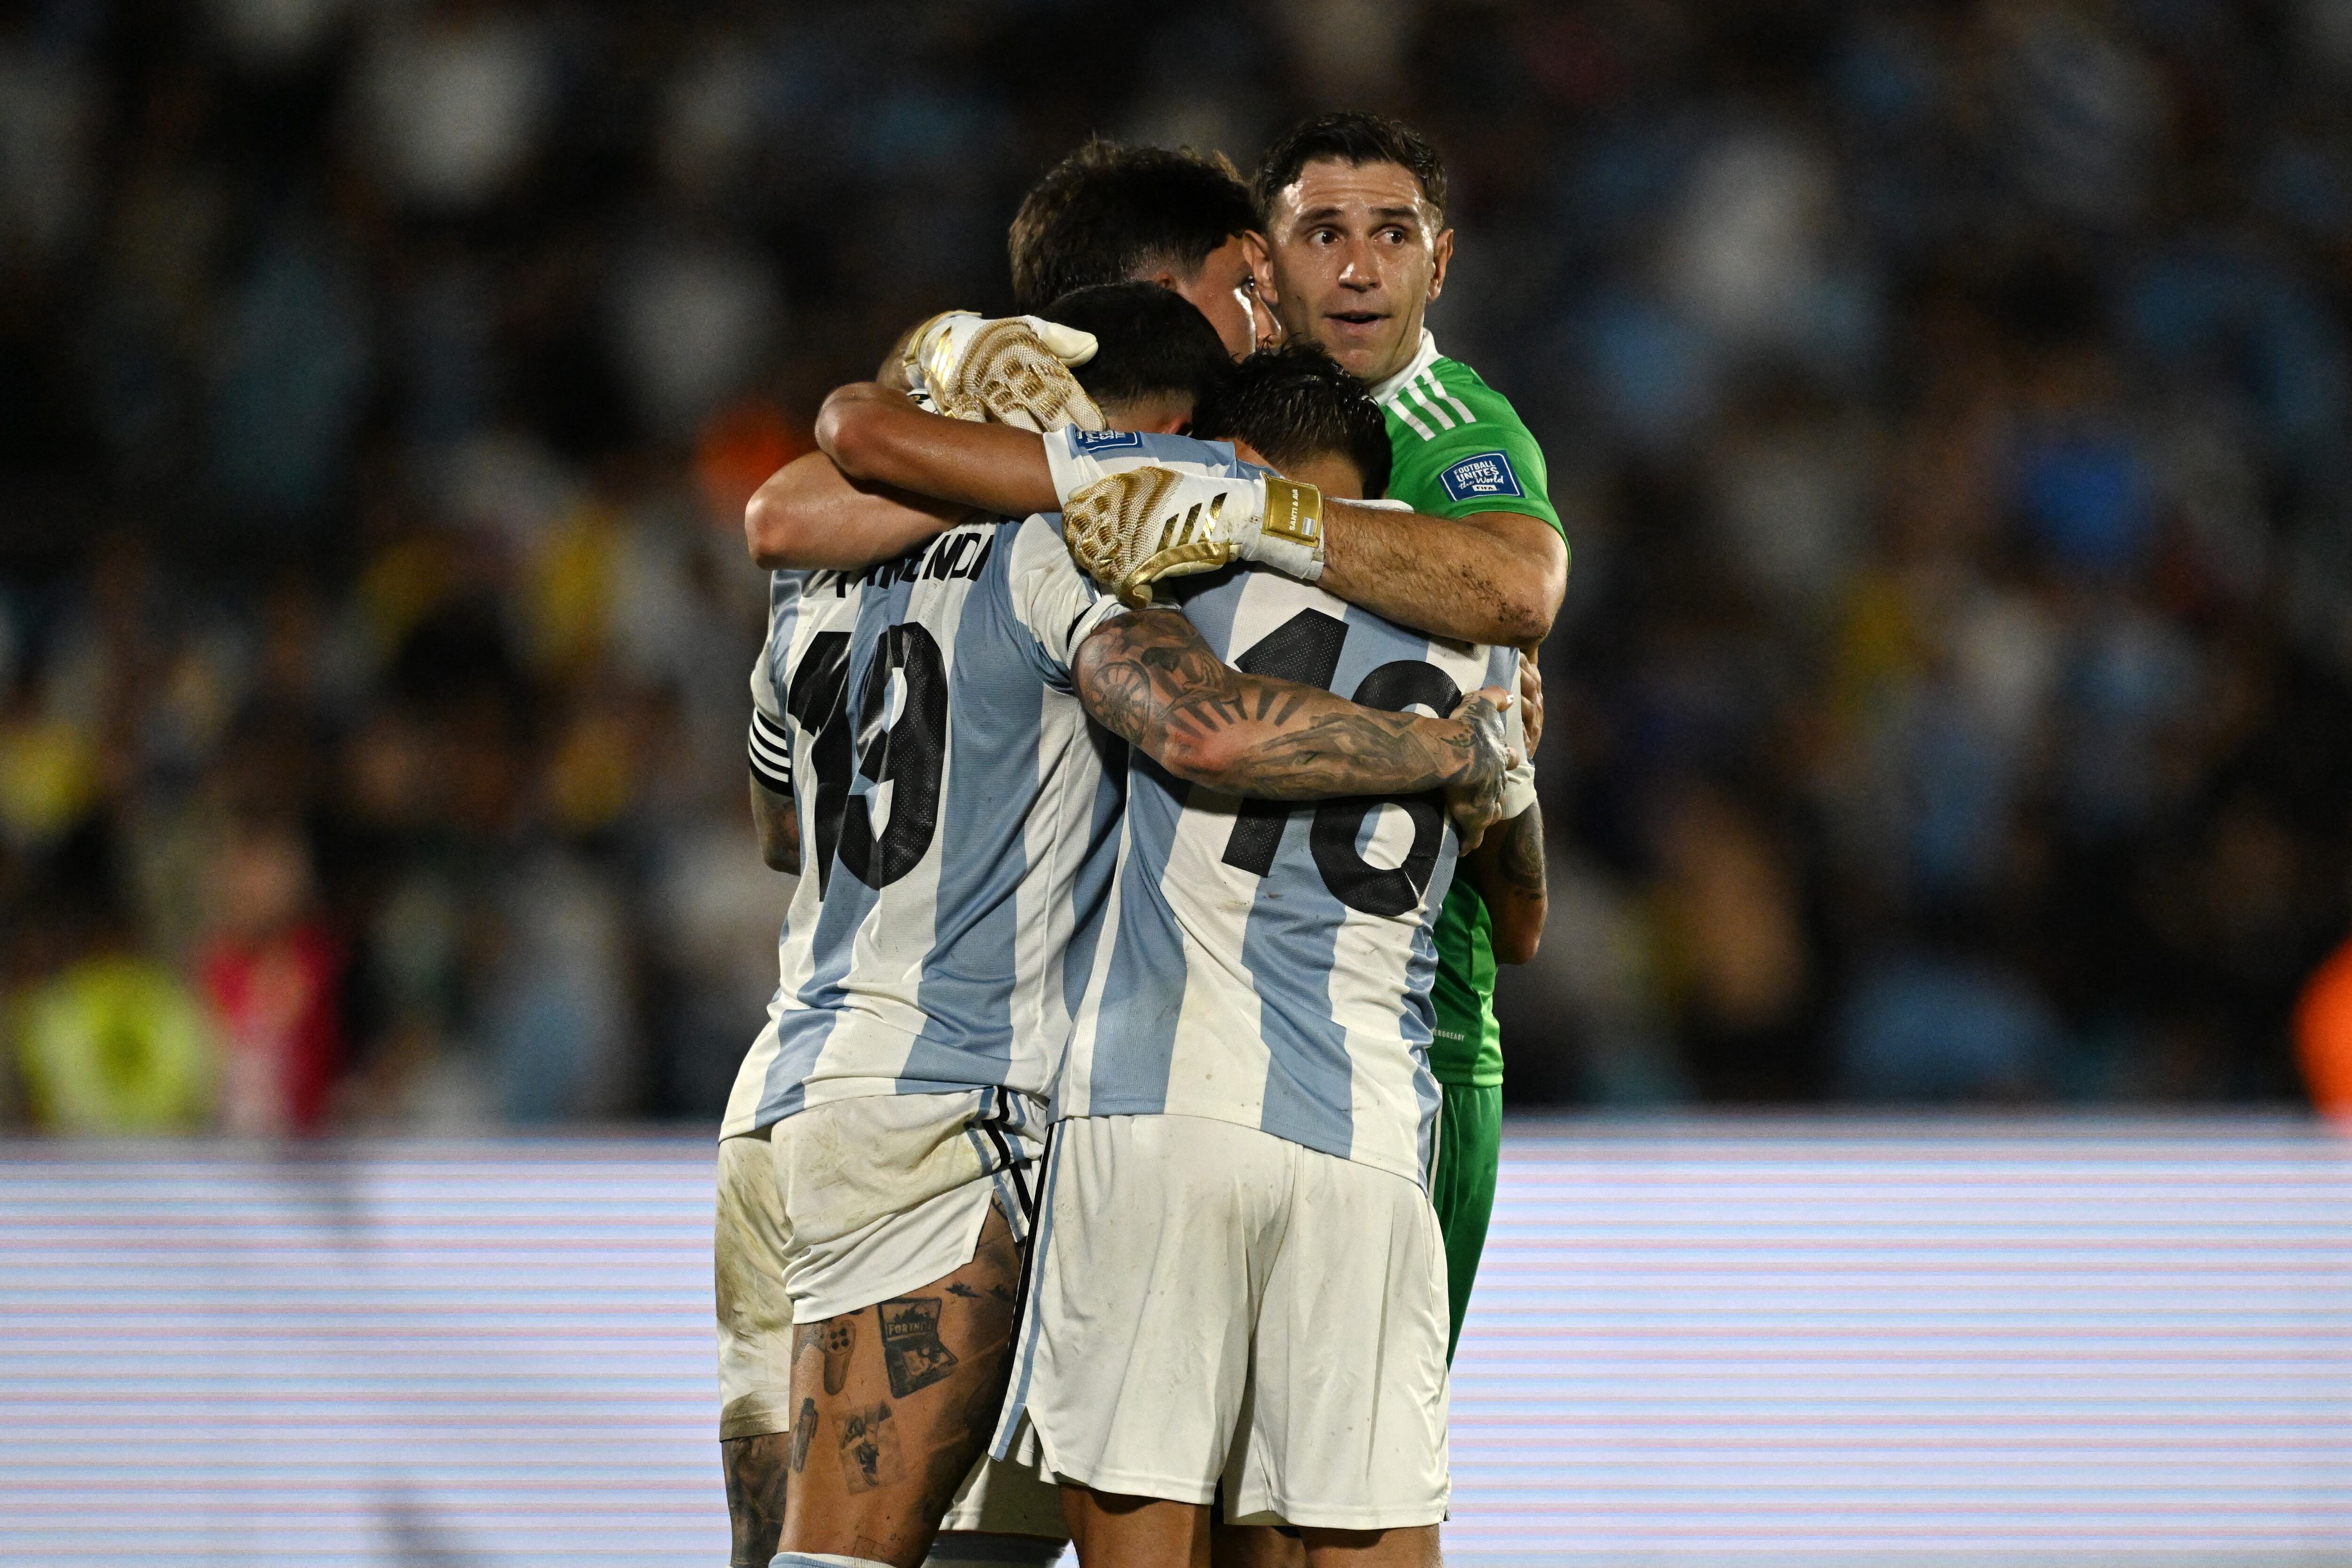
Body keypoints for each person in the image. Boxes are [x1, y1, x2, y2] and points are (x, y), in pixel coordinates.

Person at [720, 283, 1514, 1568]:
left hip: (782, 1106)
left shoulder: (812, 577)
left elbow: (775, 828)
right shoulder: (1057, 552)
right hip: (949, 1104)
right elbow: (1198, 723)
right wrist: (1436, 750)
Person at [972, 345, 1517, 1567]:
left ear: (1232, 459)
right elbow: (1523, 916)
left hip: (1158, 1113)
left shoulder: (1158, 570)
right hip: (1371, 1148)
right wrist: (1460, 761)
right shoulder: (1480, 635)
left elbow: (1178, 733)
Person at [1247, 111, 1561, 1360]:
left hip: (1405, 1039)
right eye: (1324, 233)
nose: (1361, 268)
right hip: (1200, 1037)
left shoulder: (1458, 432)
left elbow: (1517, 587)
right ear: (1264, 262)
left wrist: (1245, 516)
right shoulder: (1224, 406)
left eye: (1393, 234)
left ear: (1445, 261)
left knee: (1347, 1507)